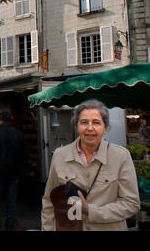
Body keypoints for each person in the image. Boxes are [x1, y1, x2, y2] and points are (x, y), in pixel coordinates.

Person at [41, 99, 141, 231]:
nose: (89, 128)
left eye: (96, 122)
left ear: (105, 128)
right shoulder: (60, 155)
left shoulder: (121, 156)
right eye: (84, 122)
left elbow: (131, 204)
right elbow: (49, 201)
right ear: (77, 126)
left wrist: (90, 211)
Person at [0, 108, 28, 231]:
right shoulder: (18, 134)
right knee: (11, 202)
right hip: (13, 174)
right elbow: (25, 155)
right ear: (11, 119)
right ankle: (10, 228)